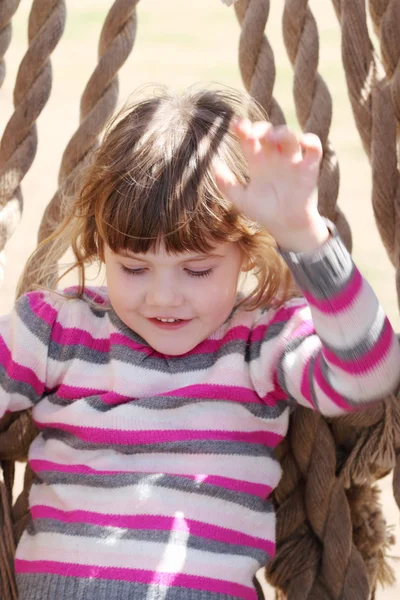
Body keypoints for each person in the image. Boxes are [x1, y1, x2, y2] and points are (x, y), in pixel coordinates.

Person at [1, 85, 399, 600]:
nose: (163, 298)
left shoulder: (259, 341)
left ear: (246, 251)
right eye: (134, 267)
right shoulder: (57, 328)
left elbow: (368, 374)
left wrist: (304, 235)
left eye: (198, 270)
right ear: (100, 245)